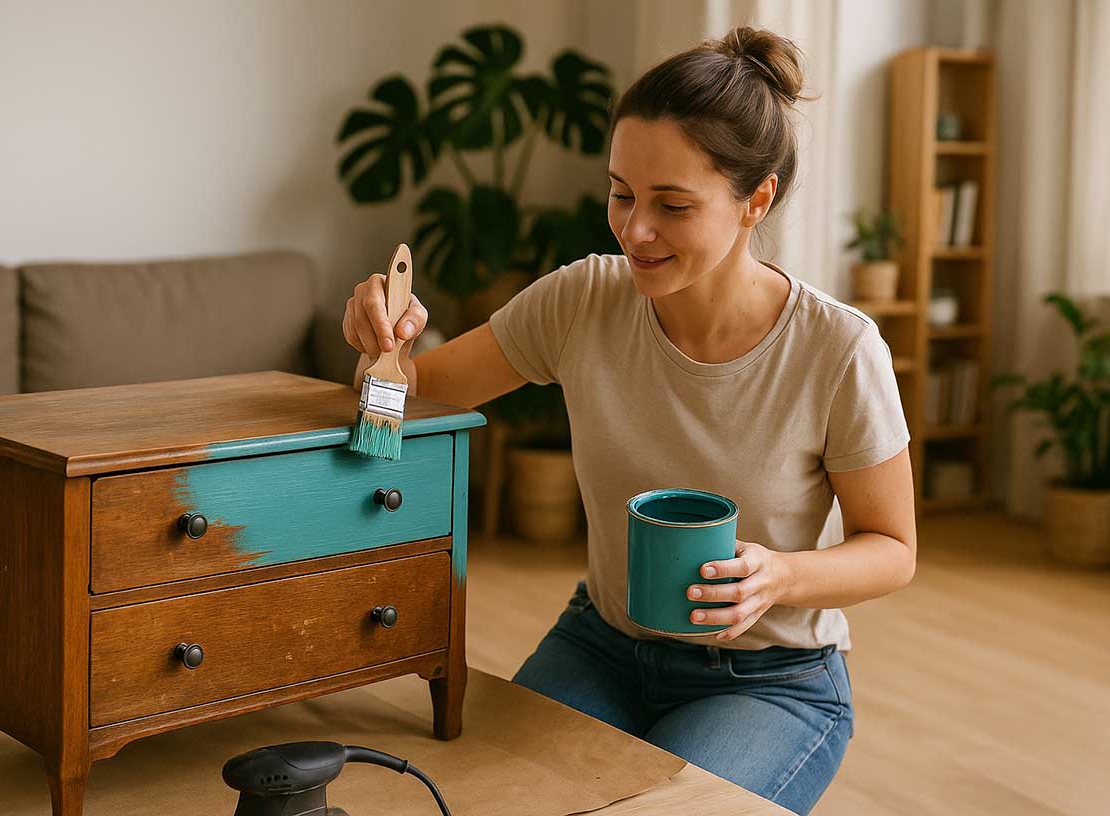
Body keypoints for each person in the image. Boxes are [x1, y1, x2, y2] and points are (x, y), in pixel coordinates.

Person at [341, 25, 915, 815]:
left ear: (756, 200)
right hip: (602, 647)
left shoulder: (837, 349)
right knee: (485, 801)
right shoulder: (583, 299)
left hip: (771, 680)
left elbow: (893, 550)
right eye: (621, 193)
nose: (635, 229)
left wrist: (781, 576)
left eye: (672, 205)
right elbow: (411, 401)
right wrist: (382, 345)